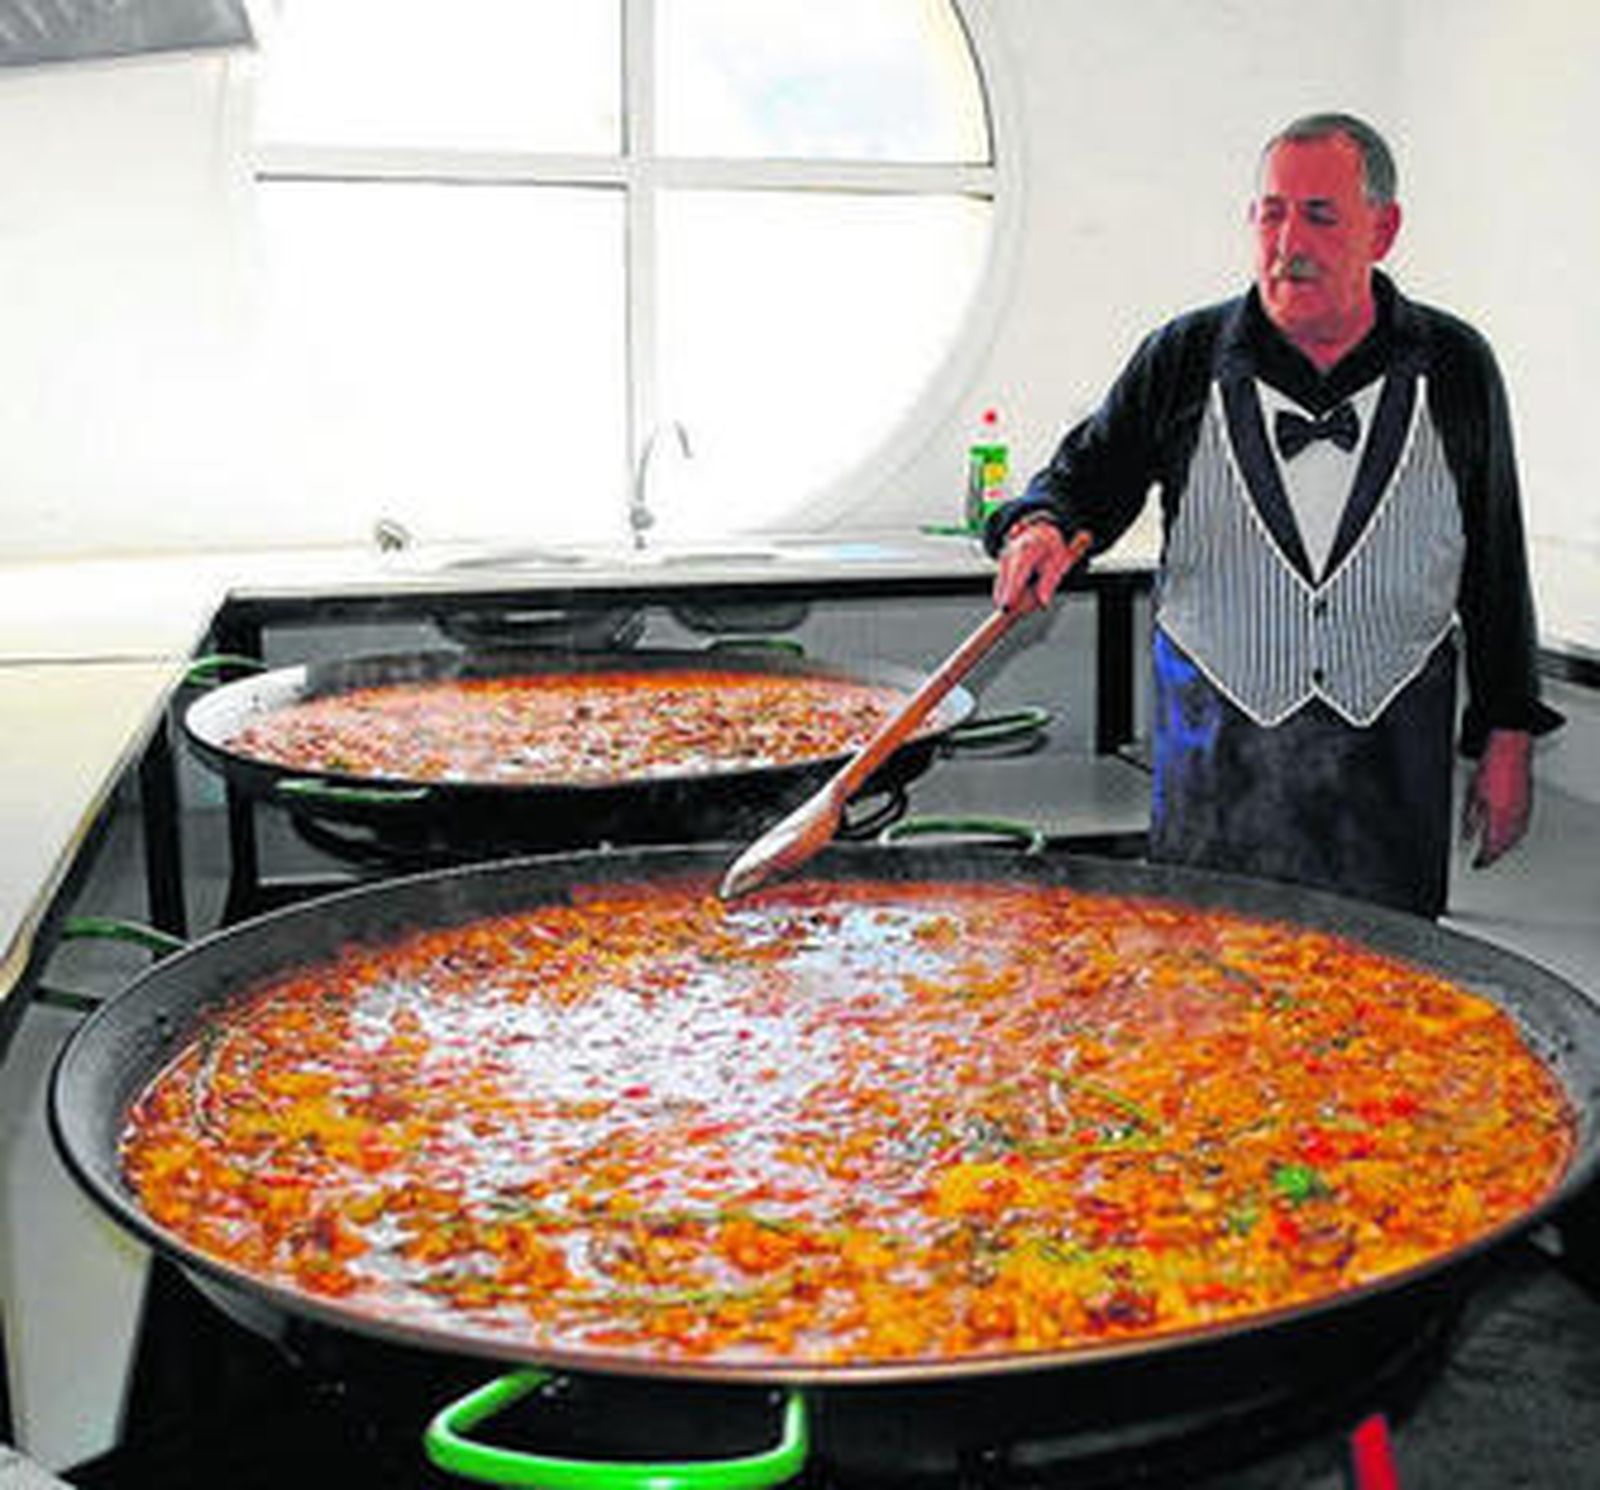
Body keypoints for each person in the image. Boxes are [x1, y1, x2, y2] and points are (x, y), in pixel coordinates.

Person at [986, 111, 1561, 918]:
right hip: (1218, 753)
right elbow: (1085, 481)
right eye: (1272, 212)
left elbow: (1496, 565)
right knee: (1213, 990)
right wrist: (1040, 524)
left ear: (1384, 229)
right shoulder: (1182, 356)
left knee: (1395, 1000)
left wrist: (1508, 737)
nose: (1288, 239)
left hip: (1388, 757)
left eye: (1320, 215)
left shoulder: (1457, 365)